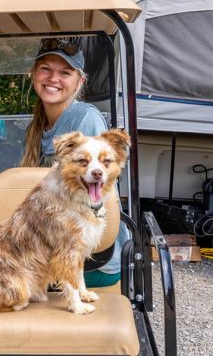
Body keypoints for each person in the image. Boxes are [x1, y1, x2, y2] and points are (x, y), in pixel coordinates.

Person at [21, 37, 130, 287]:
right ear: (34, 74)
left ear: (79, 81)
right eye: (45, 69)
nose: (53, 78)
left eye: (65, 72)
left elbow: (89, 203)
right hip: (56, 241)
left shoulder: (85, 120)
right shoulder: (38, 124)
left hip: (90, 258)